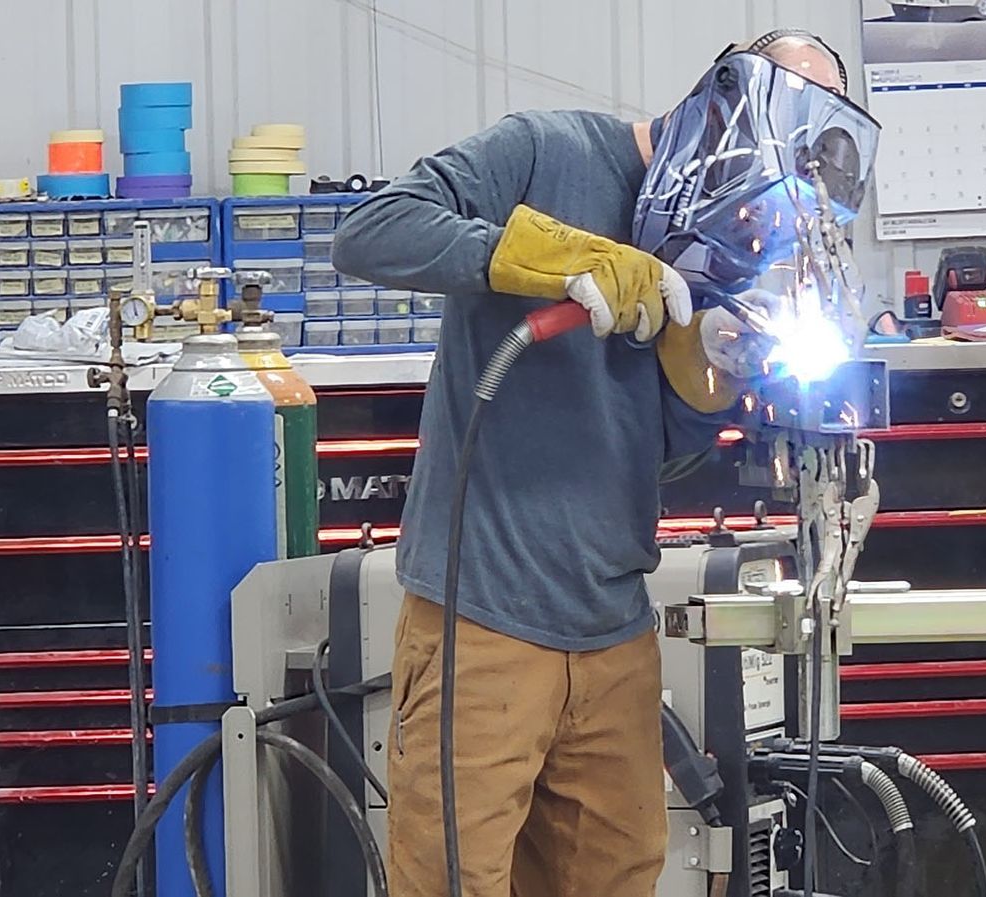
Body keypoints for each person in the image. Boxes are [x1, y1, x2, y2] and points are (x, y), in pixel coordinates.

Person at [330, 30, 855, 897]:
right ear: (721, 106)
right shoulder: (546, 150)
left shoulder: (716, 247)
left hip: (614, 632)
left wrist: (712, 386)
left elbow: (650, 460)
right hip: (484, 624)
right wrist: (546, 259)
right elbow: (370, 232)